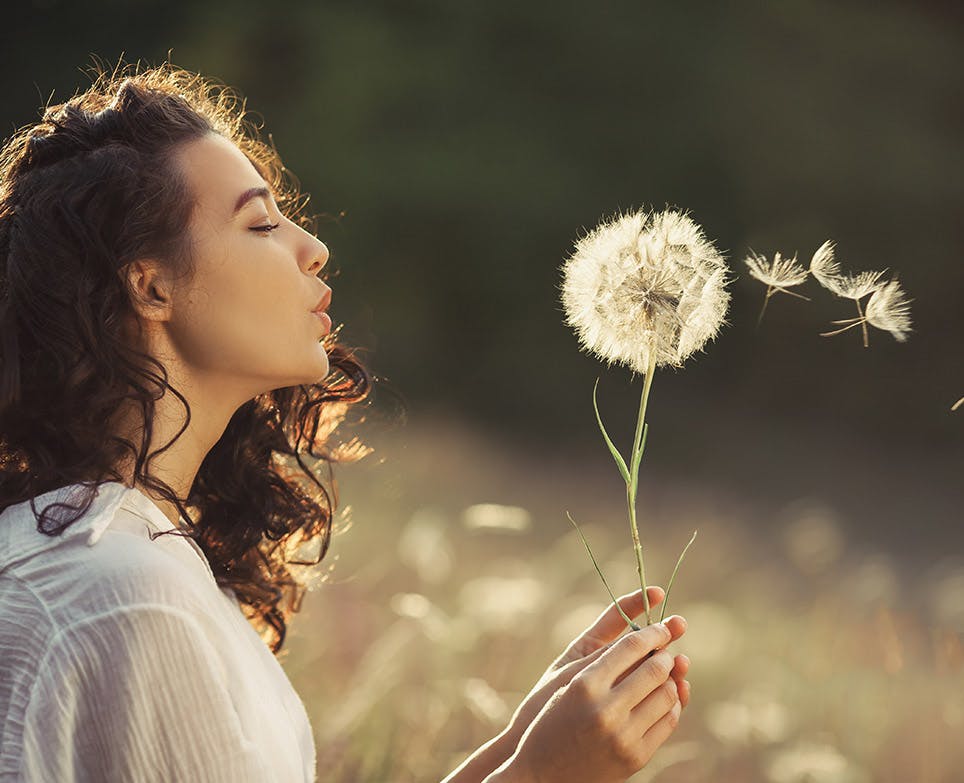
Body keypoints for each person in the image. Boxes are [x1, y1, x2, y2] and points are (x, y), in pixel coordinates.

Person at [0, 57, 691, 782]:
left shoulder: (119, 552)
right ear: (150, 285)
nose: (313, 246)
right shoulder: (127, 598)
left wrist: (517, 744)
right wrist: (545, 774)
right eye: (261, 221)